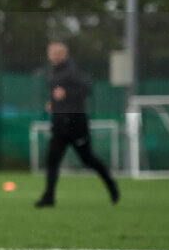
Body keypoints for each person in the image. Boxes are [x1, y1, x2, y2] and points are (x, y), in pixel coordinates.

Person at [35, 41, 119, 208]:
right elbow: (59, 96)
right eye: (53, 52)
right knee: (52, 161)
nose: (56, 55)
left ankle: (111, 184)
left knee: (87, 159)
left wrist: (67, 94)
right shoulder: (53, 72)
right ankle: (49, 197)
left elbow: (88, 89)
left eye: (59, 52)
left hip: (76, 125)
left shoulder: (72, 71)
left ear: (65, 54)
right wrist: (53, 103)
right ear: (48, 54)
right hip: (59, 125)